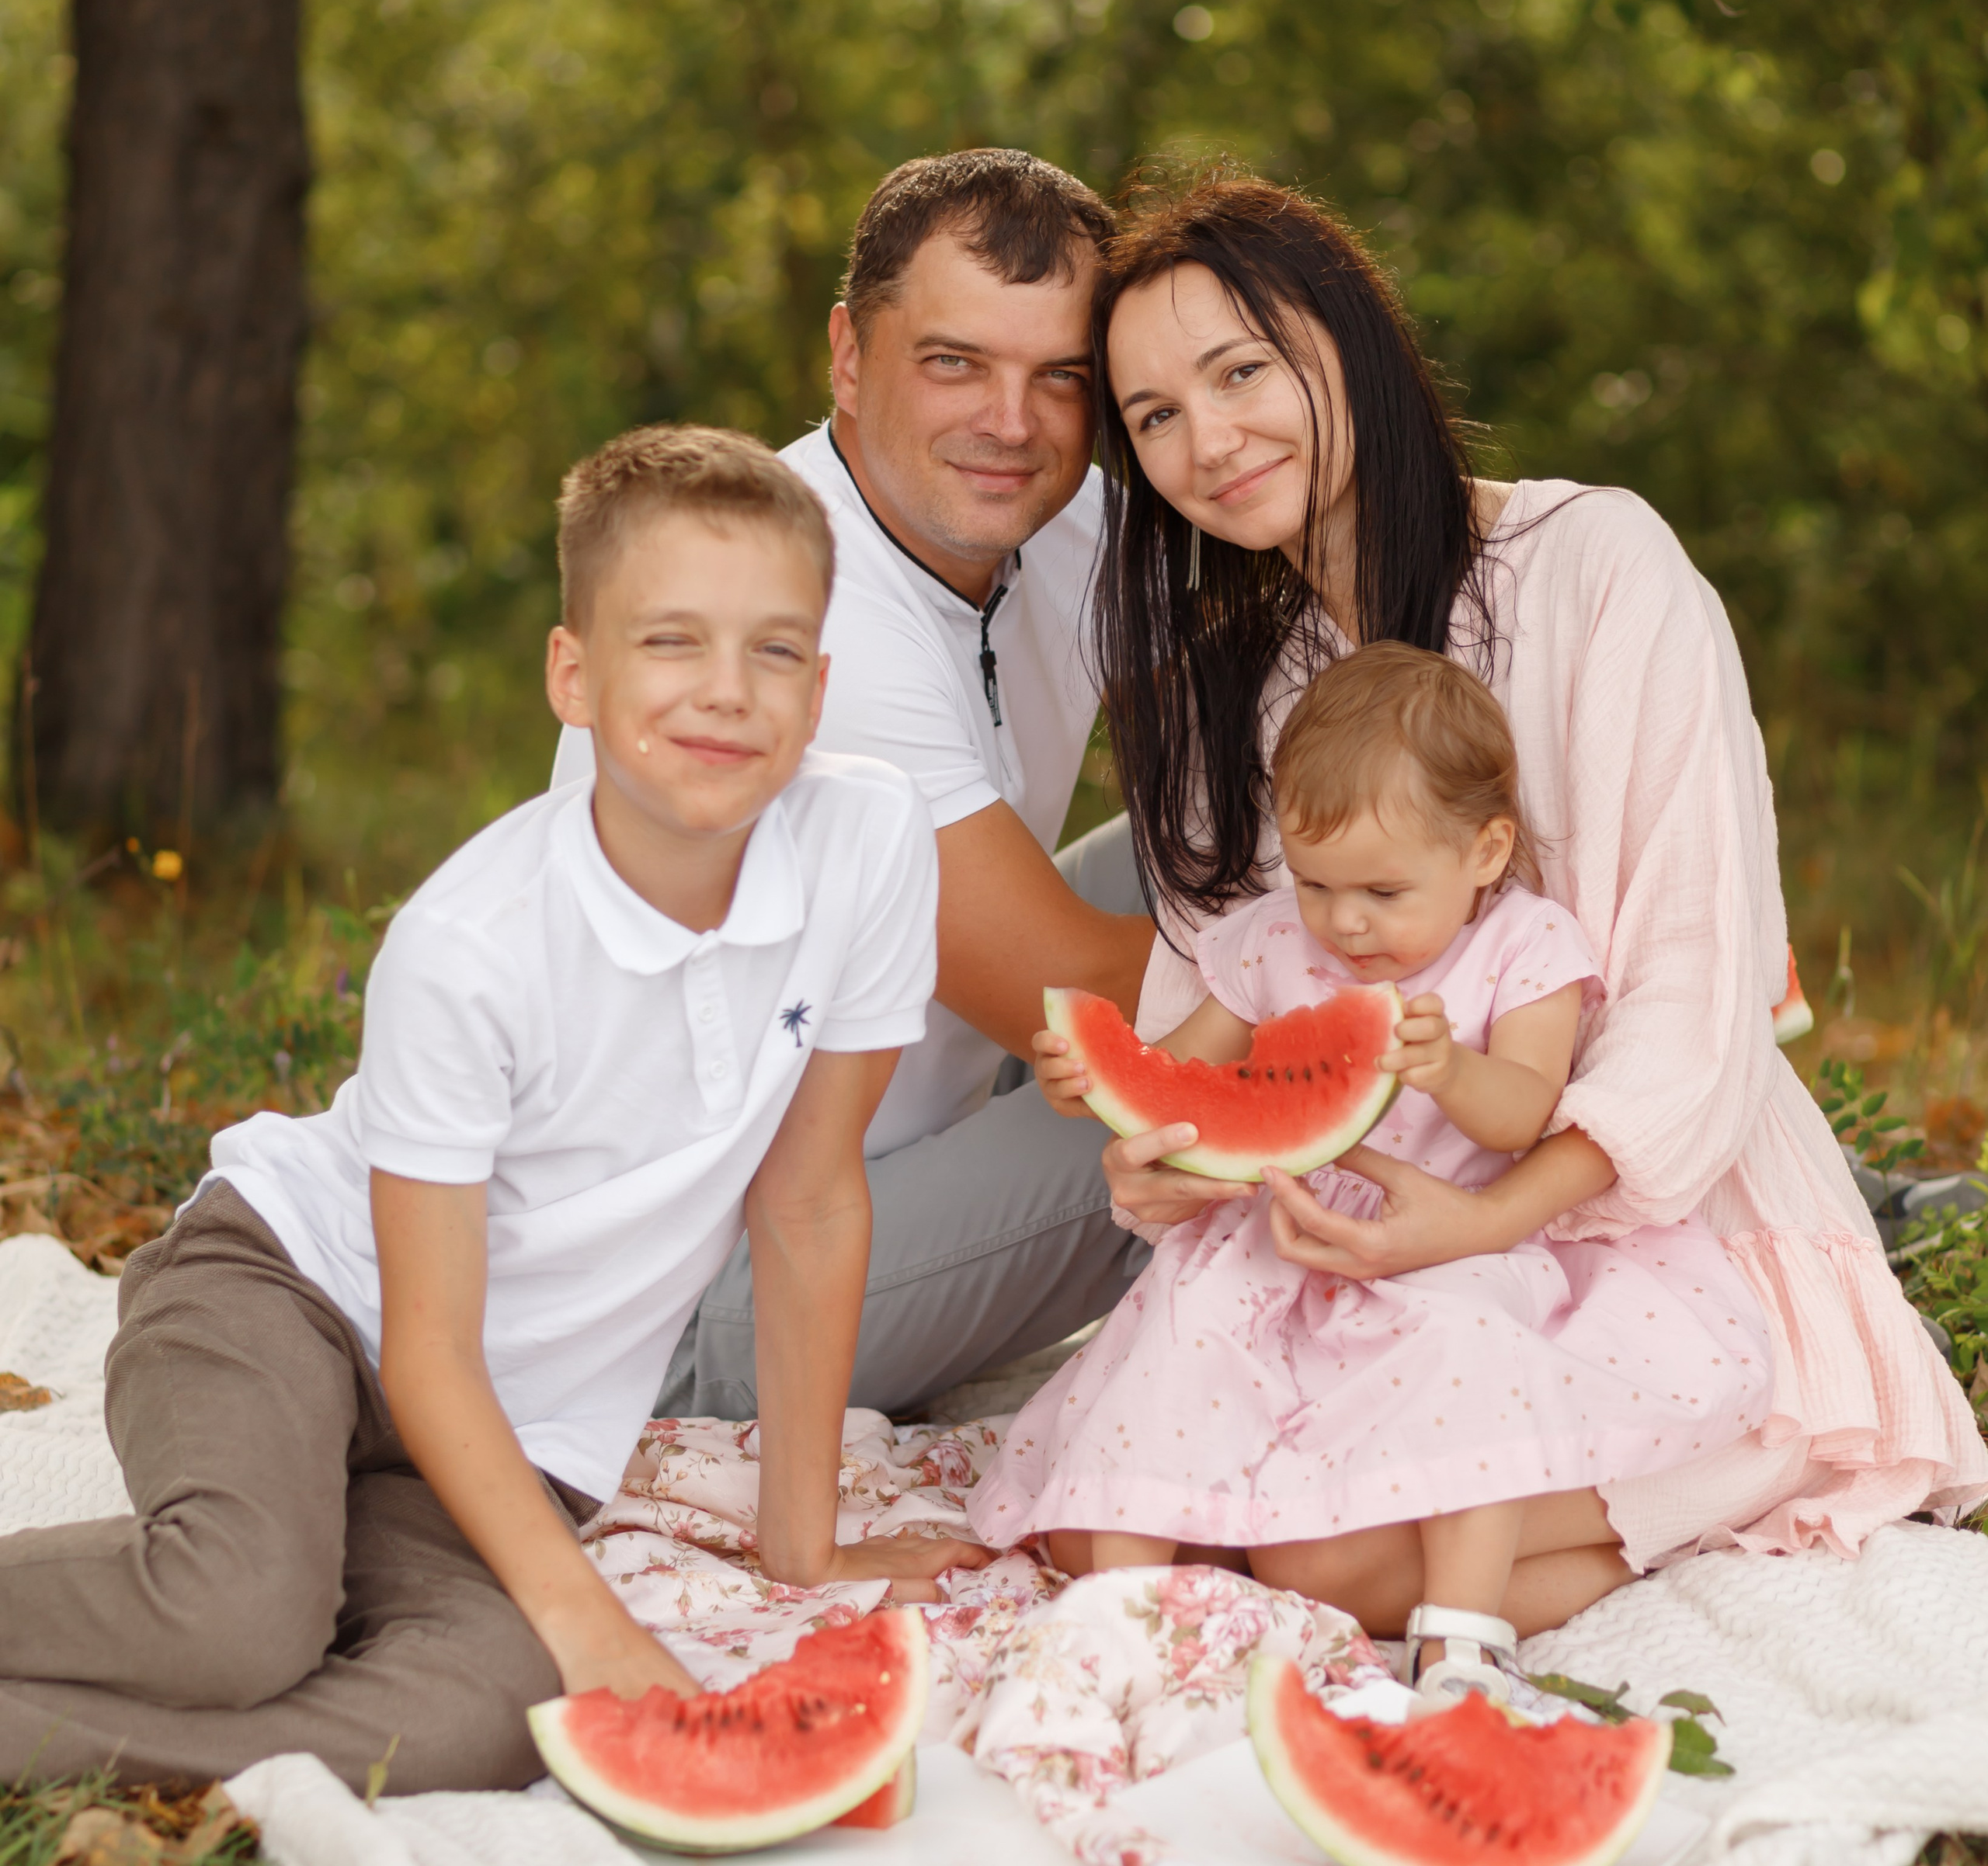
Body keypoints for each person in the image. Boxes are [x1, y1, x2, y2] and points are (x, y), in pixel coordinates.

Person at [0, 426, 983, 1793]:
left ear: (820, 691)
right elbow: (425, 1348)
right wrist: (592, 1618)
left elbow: (810, 1203)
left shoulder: (869, 840)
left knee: (484, 1707)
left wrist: (801, 1548)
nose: (727, 690)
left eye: (773, 650)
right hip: (291, 1296)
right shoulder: (472, 943)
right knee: (237, 1612)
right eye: (672, 642)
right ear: (573, 675)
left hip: (517, 1432)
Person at [1072, 174, 1986, 1626]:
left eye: (1242, 372)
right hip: (1372, 1262)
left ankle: (1753, 1465)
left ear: (1352, 343)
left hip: (1652, 1230)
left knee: (1331, 1561)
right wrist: (1165, 1161)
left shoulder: (1596, 564)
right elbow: (1222, 1024)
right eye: (1155, 415)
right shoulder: (1232, 691)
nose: (1210, 439)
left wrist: (1483, 1222)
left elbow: (1694, 995)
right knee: (1115, 1526)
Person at [975, 645, 1775, 1703]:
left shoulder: (1528, 946)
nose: (1343, 922)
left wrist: (1453, 1071)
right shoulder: (1270, 942)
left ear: (1485, 851)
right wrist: (1094, 1079)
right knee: (1185, 1327)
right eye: (1315, 884)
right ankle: (1117, 1607)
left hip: (1454, 1239)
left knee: (1471, 1355)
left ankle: (1461, 1632)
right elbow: (1180, 1081)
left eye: (1383, 891)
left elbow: (1526, 1111)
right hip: (1280, 1239)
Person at [554, 151, 1157, 1421]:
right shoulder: (798, 606)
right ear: (848, 354)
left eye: (1060, 377)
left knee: (1311, 866)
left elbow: (1299, 719)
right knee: (1193, 1094)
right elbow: (1080, 997)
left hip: (896, 1138)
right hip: (699, 1303)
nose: (1012, 423)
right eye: (954, 362)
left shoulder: (1068, 521)